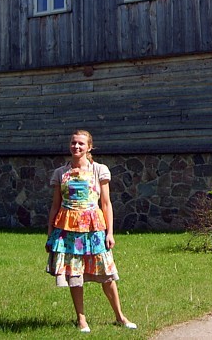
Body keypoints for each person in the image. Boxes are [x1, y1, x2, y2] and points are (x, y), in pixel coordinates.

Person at [45, 129, 136, 333]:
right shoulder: (61, 173)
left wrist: (109, 232)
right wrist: (50, 233)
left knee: (107, 274)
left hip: (94, 229)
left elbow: (106, 203)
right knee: (74, 275)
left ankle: (120, 317)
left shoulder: (99, 170)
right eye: (73, 143)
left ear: (89, 147)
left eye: (81, 144)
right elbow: (55, 205)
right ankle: (81, 320)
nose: (76, 146)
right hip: (68, 231)